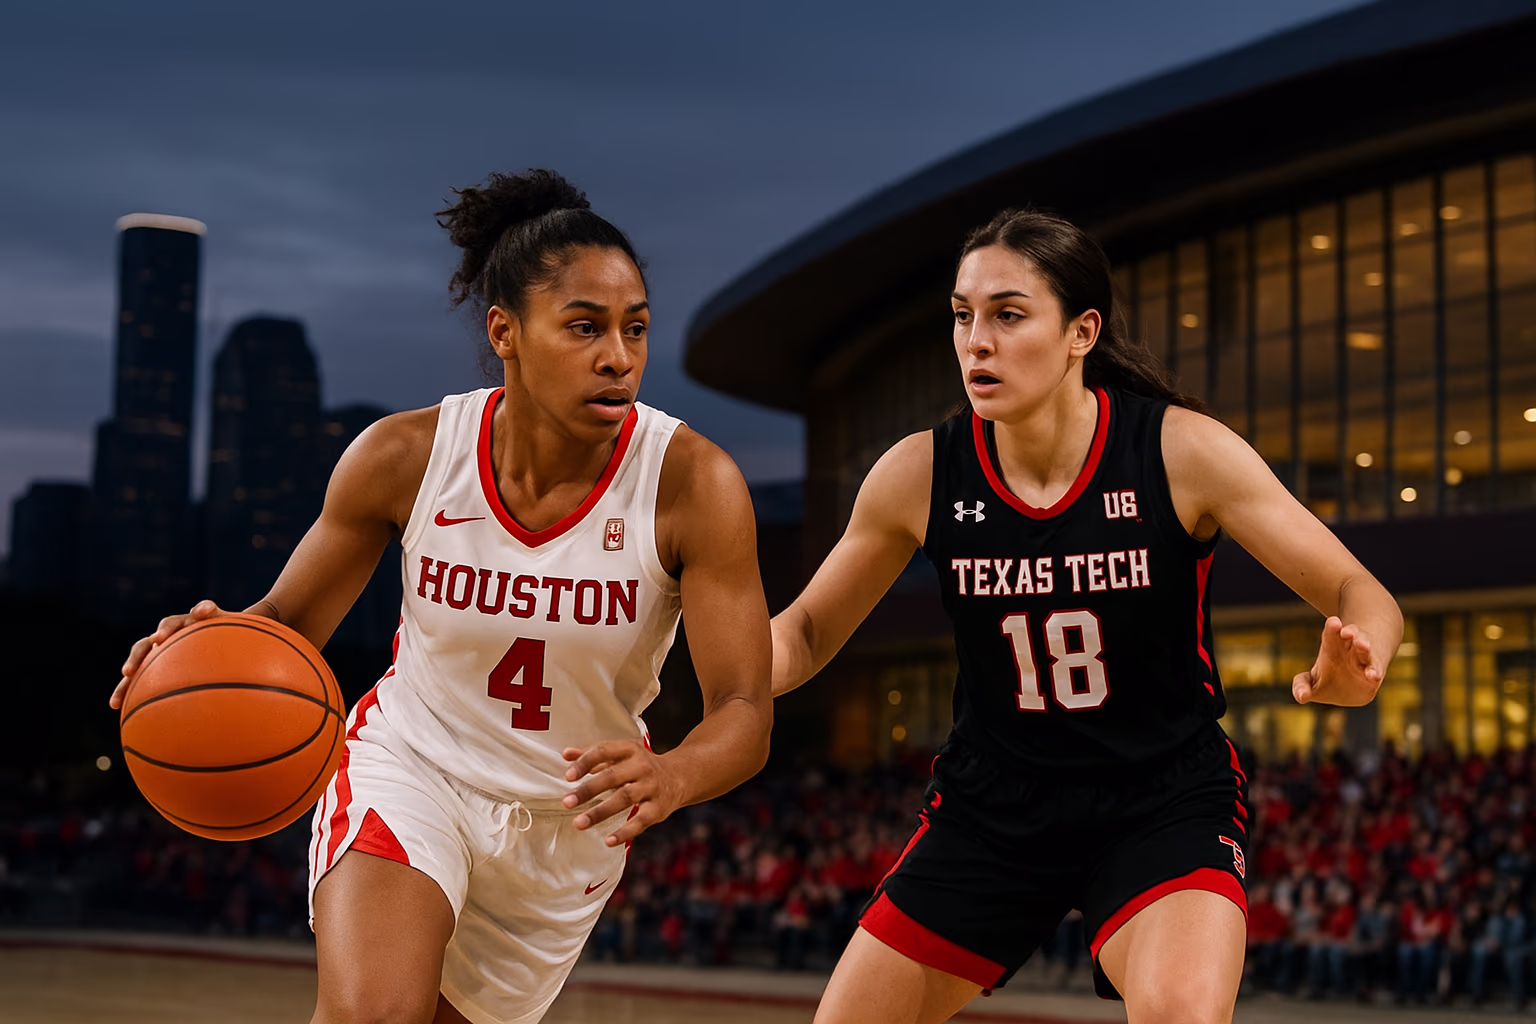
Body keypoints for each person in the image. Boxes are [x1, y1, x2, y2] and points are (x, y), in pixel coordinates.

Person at [110, 169, 773, 1024]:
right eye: (585, 327)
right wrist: (202, 645)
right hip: (413, 768)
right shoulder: (406, 456)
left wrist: (674, 773)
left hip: (563, 829)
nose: (620, 356)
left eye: (635, 329)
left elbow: (745, 712)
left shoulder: (694, 485)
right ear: (507, 332)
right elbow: (283, 626)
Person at [769, 207, 1401, 1024]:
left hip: (1161, 802)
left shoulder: (1181, 451)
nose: (976, 342)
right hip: (993, 810)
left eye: (1007, 314)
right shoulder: (919, 473)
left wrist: (1362, 668)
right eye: (962, 316)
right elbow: (808, 633)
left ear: (1081, 331)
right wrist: (720, 663)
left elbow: (1363, 593)